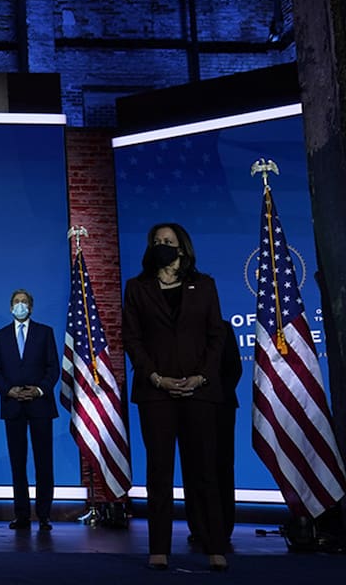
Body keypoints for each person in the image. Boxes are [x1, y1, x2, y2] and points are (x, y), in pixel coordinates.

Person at [122, 222, 229, 572]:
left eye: (168, 241)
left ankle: (215, 546)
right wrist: (156, 378)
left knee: (204, 473)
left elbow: (217, 337)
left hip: (200, 392)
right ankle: (159, 549)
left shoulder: (205, 286)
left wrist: (200, 377)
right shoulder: (137, 288)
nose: (162, 245)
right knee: (159, 473)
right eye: (156, 241)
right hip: (157, 394)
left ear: (182, 248)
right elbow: (132, 339)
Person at [0, 288, 60, 531]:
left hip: (40, 405)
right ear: (10, 308)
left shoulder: (45, 332)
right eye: (17, 302)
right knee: (17, 463)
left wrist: (39, 390)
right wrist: (9, 391)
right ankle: (21, 515)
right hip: (13, 406)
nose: (21, 305)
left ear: (31, 307)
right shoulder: (0, 336)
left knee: (44, 462)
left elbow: (53, 368)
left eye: (25, 302)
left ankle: (44, 515)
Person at [184, 320, 242, 550]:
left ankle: (223, 527)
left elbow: (234, 369)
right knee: (193, 467)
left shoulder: (222, 328)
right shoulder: (180, 329)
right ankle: (198, 527)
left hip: (221, 408)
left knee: (222, 469)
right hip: (188, 406)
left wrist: (211, 394)